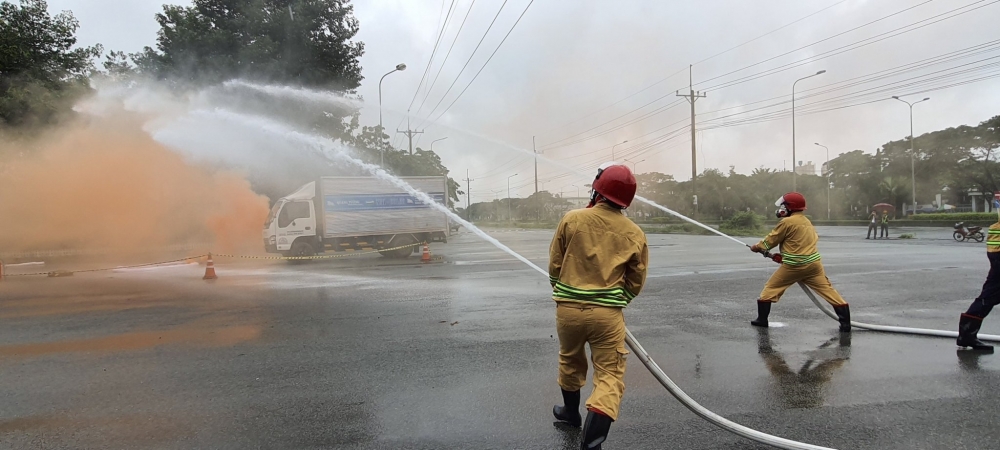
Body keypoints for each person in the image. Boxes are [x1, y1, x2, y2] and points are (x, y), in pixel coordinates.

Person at [549, 162, 649, 450]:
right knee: (609, 373)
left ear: (598, 189)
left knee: (569, 359)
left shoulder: (572, 218)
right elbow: (636, 277)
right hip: (607, 315)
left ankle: (570, 414)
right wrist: (621, 300)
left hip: (567, 310)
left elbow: (555, 264)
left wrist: (562, 290)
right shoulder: (634, 233)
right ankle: (591, 443)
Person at [749, 192, 852, 332]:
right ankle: (845, 324)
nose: (781, 208)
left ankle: (762, 320)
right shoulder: (806, 221)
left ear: (789, 207)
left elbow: (771, 240)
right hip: (814, 265)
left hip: (795, 266)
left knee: (770, 289)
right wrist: (785, 256)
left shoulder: (786, 222)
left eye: (783, 205)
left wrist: (757, 247)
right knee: (829, 291)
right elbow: (801, 243)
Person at [957, 193, 1000, 352]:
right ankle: (967, 334)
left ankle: (967, 335)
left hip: (996, 254)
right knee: (988, 296)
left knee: (989, 296)